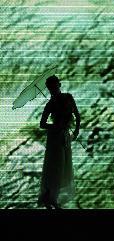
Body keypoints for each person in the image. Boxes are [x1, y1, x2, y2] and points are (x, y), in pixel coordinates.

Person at [38, 75, 80, 209]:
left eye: (54, 86)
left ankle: (51, 197)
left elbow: (77, 116)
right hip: (54, 138)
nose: (52, 89)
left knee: (63, 166)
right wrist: (56, 126)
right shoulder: (50, 104)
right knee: (55, 167)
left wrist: (76, 130)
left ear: (59, 85)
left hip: (65, 137)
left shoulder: (68, 97)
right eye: (50, 87)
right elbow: (42, 124)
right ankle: (51, 198)